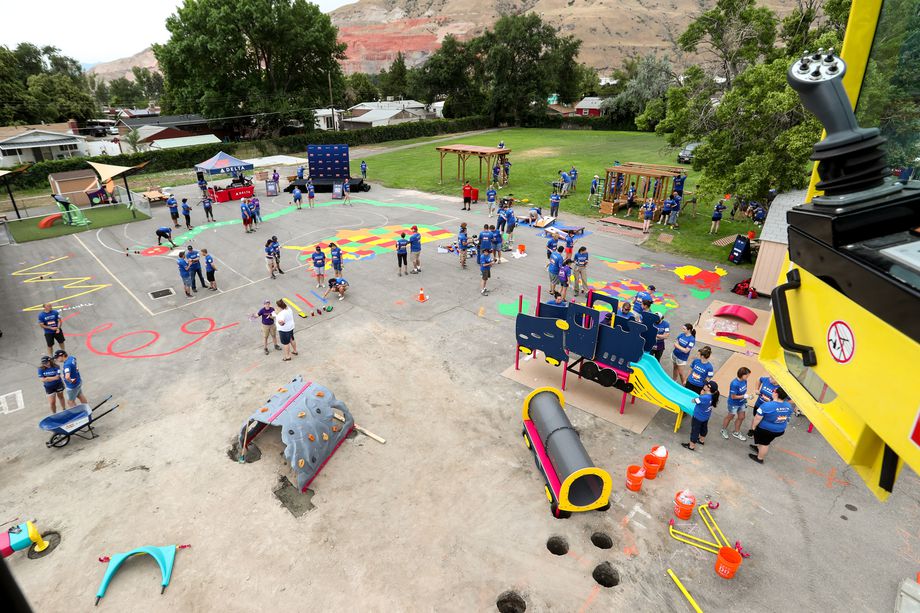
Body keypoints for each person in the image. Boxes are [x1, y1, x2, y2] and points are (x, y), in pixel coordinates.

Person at [749, 387, 794, 464]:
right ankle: (759, 448)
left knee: (765, 443)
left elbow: (757, 418)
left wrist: (753, 427)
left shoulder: (766, 405)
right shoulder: (789, 406)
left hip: (766, 430)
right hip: (780, 429)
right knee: (764, 440)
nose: (772, 392)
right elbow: (787, 417)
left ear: (776, 394)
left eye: (773, 391)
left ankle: (760, 458)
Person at [682, 381, 720, 451]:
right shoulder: (712, 397)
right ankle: (701, 440)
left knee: (695, 431)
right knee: (704, 428)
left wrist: (701, 394)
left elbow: (694, 401)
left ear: (708, 388)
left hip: (698, 417)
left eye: (706, 385)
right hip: (706, 416)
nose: (704, 385)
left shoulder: (704, 397)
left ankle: (691, 446)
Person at [722, 367, 751, 441]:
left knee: (741, 417)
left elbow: (743, 391)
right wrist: (744, 396)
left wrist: (745, 399)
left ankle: (736, 432)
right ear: (742, 375)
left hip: (742, 403)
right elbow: (733, 396)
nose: (748, 376)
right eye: (747, 375)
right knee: (730, 417)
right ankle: (723, 429)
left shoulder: (745, 381)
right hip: (733, 404)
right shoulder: (734, 384)